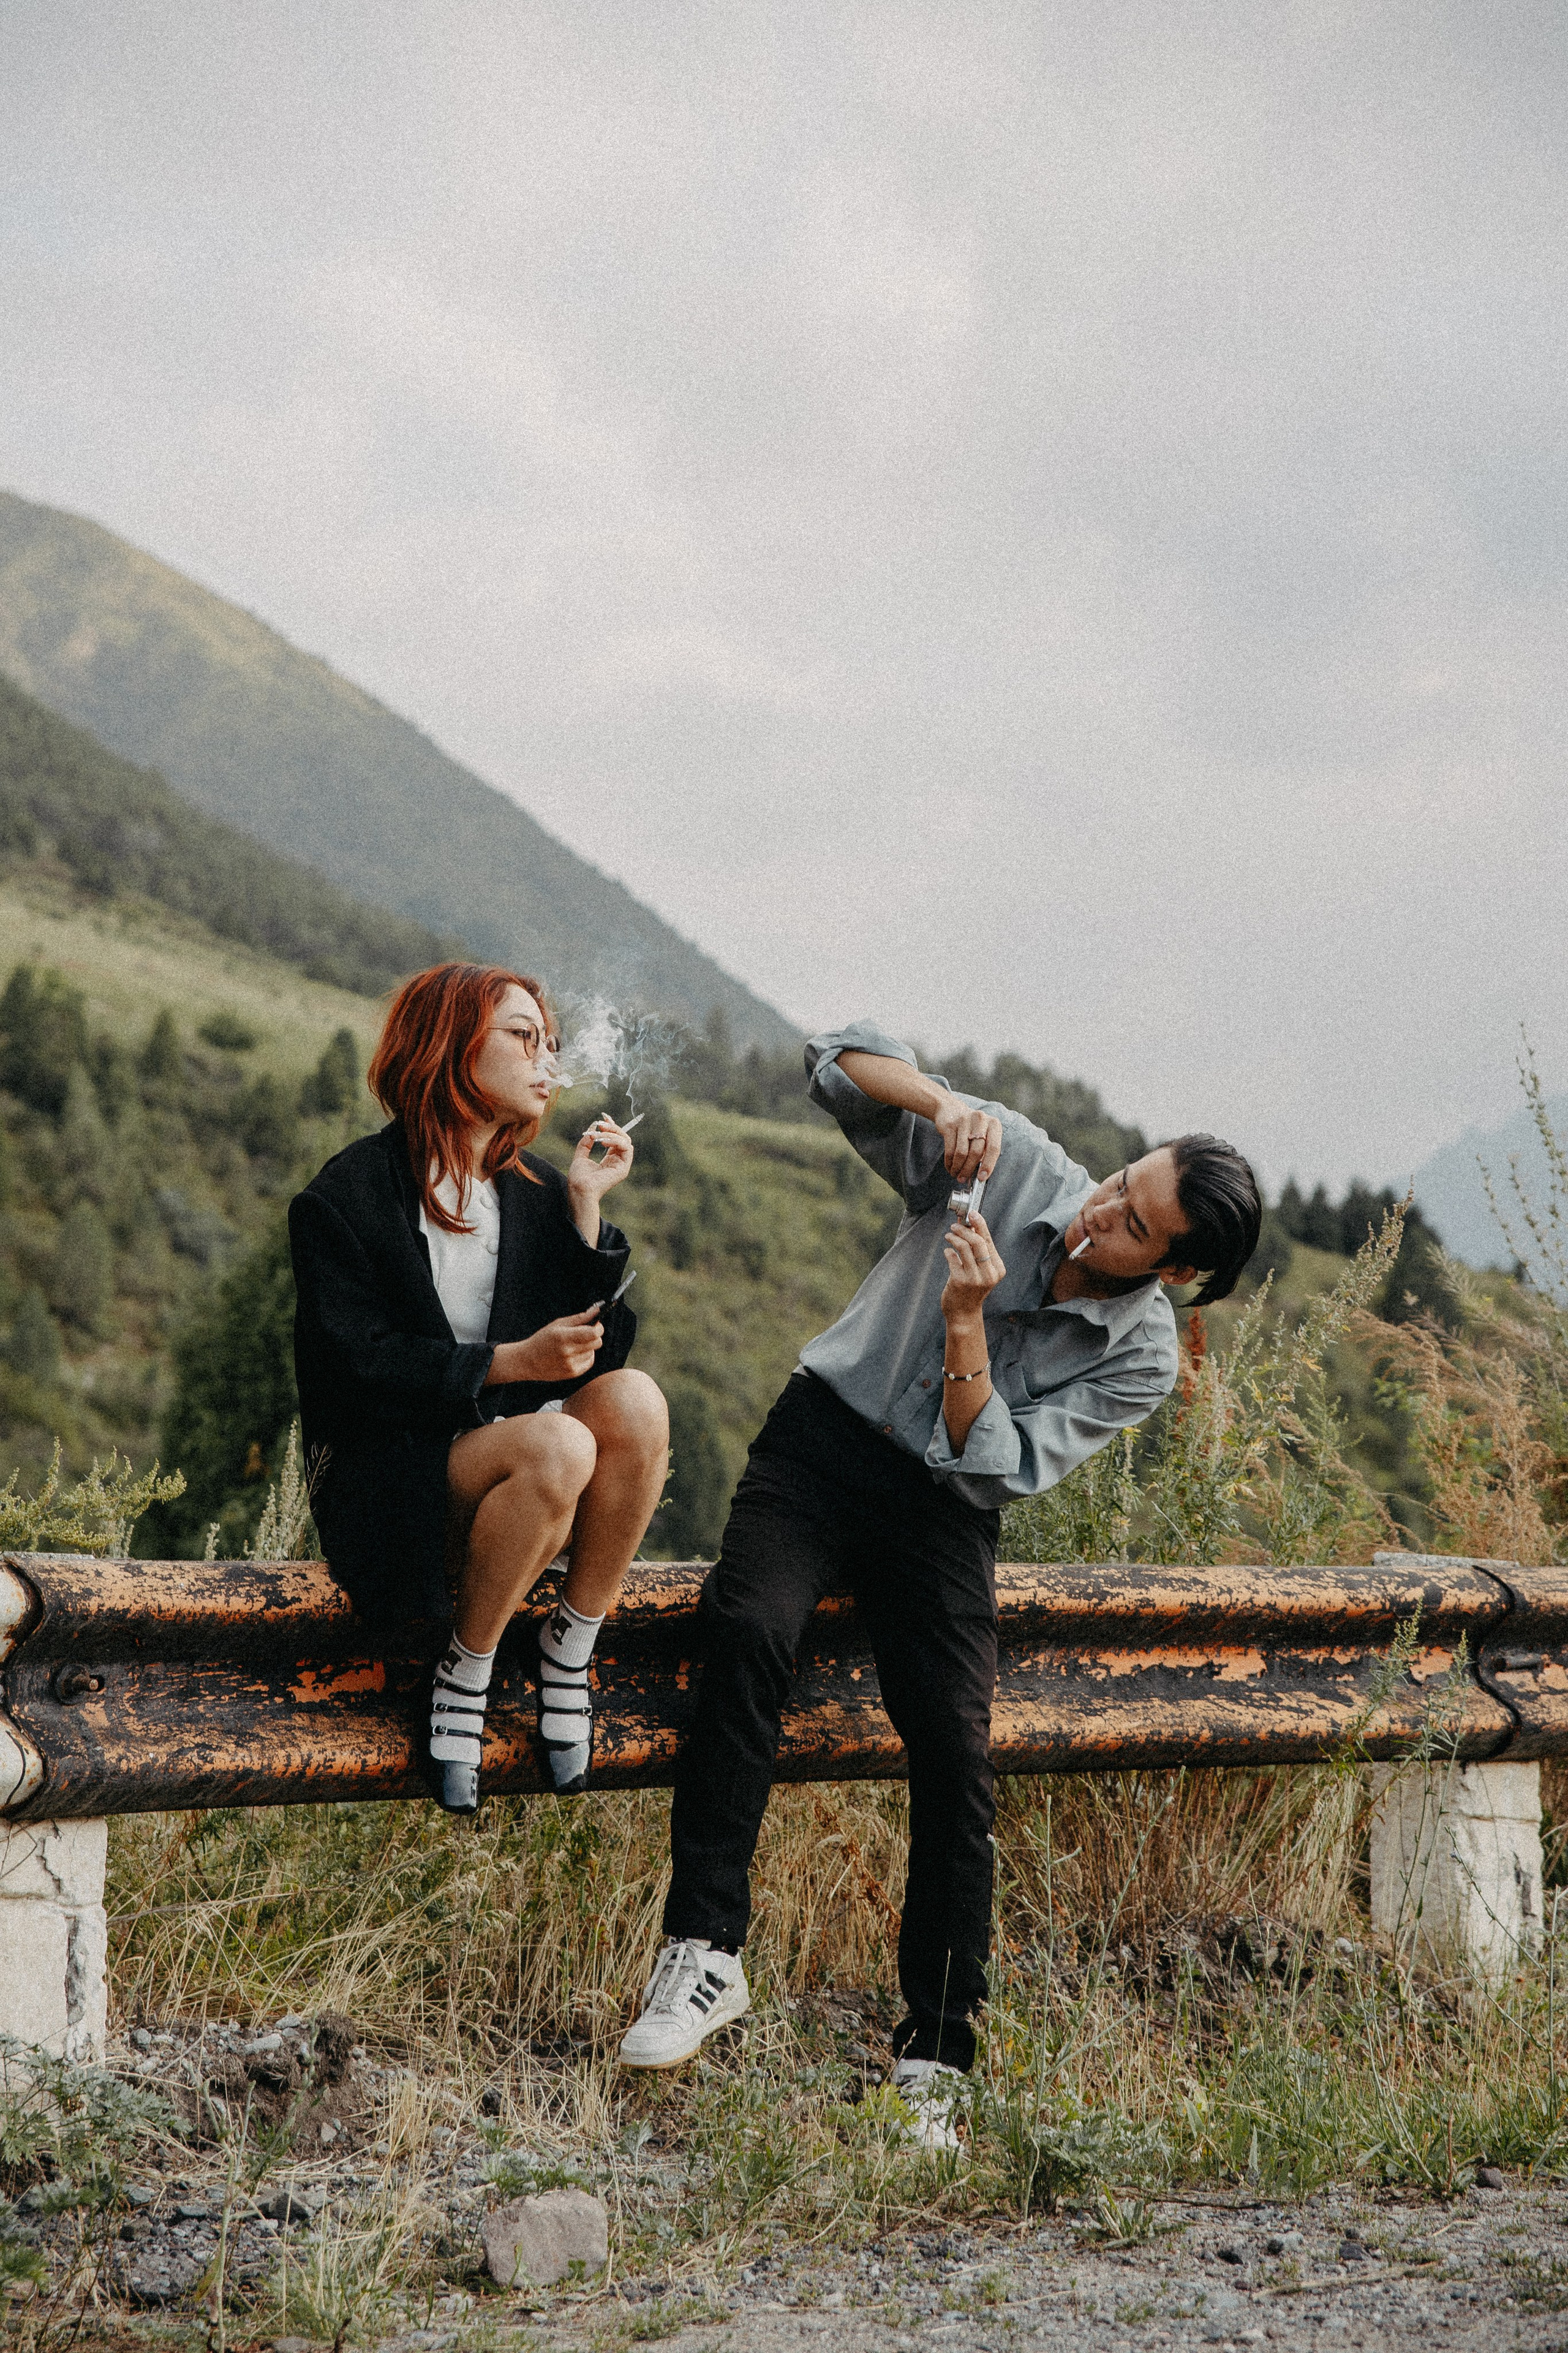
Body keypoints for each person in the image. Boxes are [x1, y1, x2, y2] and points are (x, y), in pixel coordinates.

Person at [618, 1021, 1260, 2145]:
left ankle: (936, 2061)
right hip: (820, 1447)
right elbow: (829, 1060)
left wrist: (968, 1322)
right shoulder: (1010, 1156)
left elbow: (996, 1464)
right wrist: (935, 1103)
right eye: (1122, 1183)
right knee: (751, 1625)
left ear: (1177, 1269)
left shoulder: (1144, 1353)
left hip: (944, 1511)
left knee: (959, 1744)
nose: (1102, 1212)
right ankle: (707, 1954)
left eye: (1136, 1225)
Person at [288, 962, 669, 1813]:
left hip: (529, 1478)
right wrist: (505, 1365)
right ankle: (466, 1667)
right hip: (402, 1490)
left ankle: (570, 1642)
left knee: (637, 1402)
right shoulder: (344, 1198)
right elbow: (357, 1369)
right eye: (524, 1038)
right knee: (560, 1438)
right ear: (452, 1042)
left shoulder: (530, 1191)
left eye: (553, 1044)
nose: (548, 1062)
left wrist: (583, 1209)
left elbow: (595, 1364)